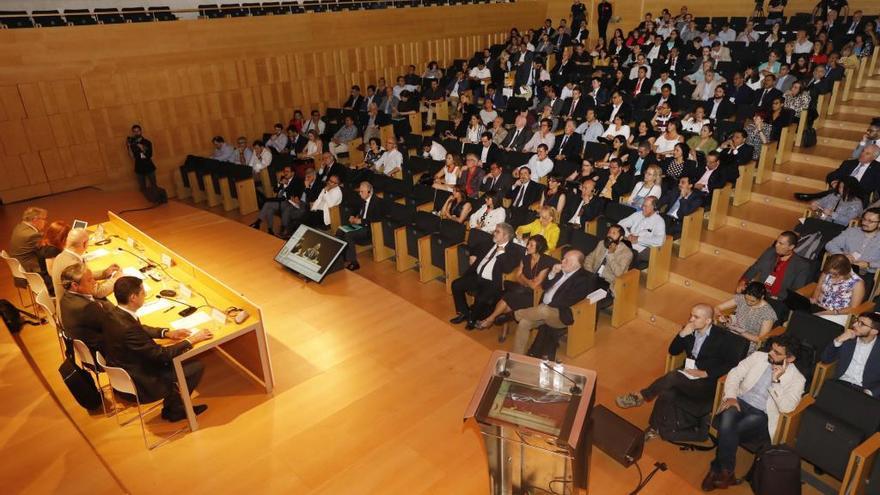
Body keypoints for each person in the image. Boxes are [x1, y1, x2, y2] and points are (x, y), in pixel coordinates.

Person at [615, 304, 742, 435]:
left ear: (708, 321)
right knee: (667, 392)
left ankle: (641, 396)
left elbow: (732, 363)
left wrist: (705, 373)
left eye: (696, 317)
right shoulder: (689, 330)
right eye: (691, 315)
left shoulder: (723, 337)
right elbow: (673, 351)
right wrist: (682, 334)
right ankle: (654, 428)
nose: (691, 319)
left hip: (706, 383)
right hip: (687, 375)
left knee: (673, 377)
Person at [701, 336, 805, 491]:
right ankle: (726, 473)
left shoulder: (797, 379)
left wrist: (776, 381)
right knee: (729, 422)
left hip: (761, 414)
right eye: (771, 348)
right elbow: (735, 374)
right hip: (739, 401)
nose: (770, 353)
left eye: (777, 353)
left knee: (728, 429)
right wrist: (731, 395)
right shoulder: (758, 357)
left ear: (790, 358)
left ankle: (718, 470)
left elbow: (787, 407)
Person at [102, 276, 213, 422]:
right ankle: (175, 410)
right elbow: (162, 355)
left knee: (180, 358)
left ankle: (173, 406)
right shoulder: (129, 328)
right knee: (196, 367)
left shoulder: (114, 313)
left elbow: (139, 329)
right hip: (143, 381)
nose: (145, 295)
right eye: (143, 292)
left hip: (126, 368)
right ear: (133, 298)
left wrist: (165, 333)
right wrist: (191, 340)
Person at [511, 249, 592, 354]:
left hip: (559, 315)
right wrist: (552, 273)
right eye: (563, 258)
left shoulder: (582, 280)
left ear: (576, 264)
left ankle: (515, 314)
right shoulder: (560, 271)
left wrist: (548, 305)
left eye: (567, 260)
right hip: (541, 309)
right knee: (524, 323)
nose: (562, 262)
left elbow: (568, 301)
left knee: (544, 310)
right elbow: (544, 286)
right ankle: (517, 356)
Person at [477, 235, 556, 338]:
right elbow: (517, 276)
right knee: (508, 298)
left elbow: (534, 286)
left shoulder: (545, 262)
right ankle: (491, 320)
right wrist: (526, 280)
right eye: (528, 244)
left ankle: (491, 320)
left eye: (531, 245)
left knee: (507, 299)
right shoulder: (525, 258)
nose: (528, 247)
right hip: (521, 290)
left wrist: (524, 278)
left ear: (539, 248)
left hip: (535, 296)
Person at [450, 223, 524, 330]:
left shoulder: (513, 250)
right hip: (477, 276)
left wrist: (501, 253)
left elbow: (507, 268)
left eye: (498, 232)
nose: (494, 233)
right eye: (495, 230)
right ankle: (463, 312)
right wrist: (473, 255)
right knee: (456, 285)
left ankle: (472, 319)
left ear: (506, 236)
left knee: (481, 298)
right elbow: (475, 246)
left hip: (492, 283)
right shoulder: (490, 241)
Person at [739, 231, 811, 316]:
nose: (777, 245)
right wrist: (743, 281)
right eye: (777, 242)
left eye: (781, 243)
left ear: (791, 247)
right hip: (759, 294)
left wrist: (776, 298)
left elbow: (796, 290)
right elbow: (754, 268)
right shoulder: (770, 252)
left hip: (778, 300)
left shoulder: (801, 265)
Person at [50, 228, 120, 304]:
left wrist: (104, 273)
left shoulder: (60, 256)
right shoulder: (73, 265)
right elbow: (98, 292)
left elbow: (83, 277)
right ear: (84, 244)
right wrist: (117, 279)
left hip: (66, 305)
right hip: (76, 311)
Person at [821, 312, 880, 397]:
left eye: (861, 324)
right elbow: (825, 359)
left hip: (865, 391)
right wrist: (838, 340)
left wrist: (870, 393)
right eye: (857, 321)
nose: (855, 325)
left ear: (874, 331)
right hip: (840, 384)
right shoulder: (848, 339)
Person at [59, 263, 113, 354]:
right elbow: (113, 325)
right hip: (103, 351)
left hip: (86, 348)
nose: (95, 282)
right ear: (75, 285)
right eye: (89, 280)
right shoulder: (87, 308)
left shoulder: (65, 297)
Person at [825, 208, 880, 296]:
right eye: (864, 219)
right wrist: (843, 255)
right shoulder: (852, 231)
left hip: (864, 274)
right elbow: (830, 244)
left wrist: (869, 264)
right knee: (826, 291)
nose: (865, 223)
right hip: (842, 268)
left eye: (870, 221)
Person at [715, 282, 779, 354]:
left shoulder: (767, 313)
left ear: (762, 297)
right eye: (746, 299)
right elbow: (717, 307)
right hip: (731, 331)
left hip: (747, 342)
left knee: (720, 349)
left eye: (752, 301)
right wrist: (721, 316)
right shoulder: (742, 298)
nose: (748, 302)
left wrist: (741, 332)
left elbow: (760, 339)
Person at [335, 182, 385, 271]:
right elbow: (355, 208)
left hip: (368, 229)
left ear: (369, 192)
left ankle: (354, 262)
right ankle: (342, 257)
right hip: (360, 226)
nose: (360, 193)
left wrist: (360, 221)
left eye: (362, 192)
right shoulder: (362, 199)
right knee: (340, 230)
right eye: (360, 191)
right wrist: (352, 215)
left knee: (348, 235)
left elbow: (376, 219)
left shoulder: (376, 203)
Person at [583, 224, 634, 292]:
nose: (610, 235)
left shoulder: (626, 253)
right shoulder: (602, 243)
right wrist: (590, 273)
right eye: (609, 232)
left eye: (614, 233)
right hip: (593, 275)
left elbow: (619, 274)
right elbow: (590, 258)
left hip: (607, 283)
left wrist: (611, 254)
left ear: (621, 238)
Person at [251, 165, 298, 236]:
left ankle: (257, 223)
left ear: (292, 173)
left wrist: (285, 186)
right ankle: (270, 230)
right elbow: (275, 190)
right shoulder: (283, 178)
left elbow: (291, 194)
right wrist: (280, 183)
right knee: (269, 209)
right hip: (278, 200)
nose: (285, 173)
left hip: (287, 202)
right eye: (284, 171)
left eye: (287, 171)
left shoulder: (296, 181)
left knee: (267, 204)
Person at [9, 206, 53, 280]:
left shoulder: (19, 227)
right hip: (31, 271)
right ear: (35, 219)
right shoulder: (32, 235)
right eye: (44, 219)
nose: (46, 222)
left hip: (20, 267)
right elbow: (47, 250)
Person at [619, 196, 666, 262]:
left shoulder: (659, 221)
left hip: (642, 248)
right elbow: (621, 224)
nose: (642, 208)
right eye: (643, 205)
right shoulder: (638, 214)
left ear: (654, 208)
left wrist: (638, 239)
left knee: (621, 255)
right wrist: (628, 235)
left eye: (645, 206)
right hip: (628, 243)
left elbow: (659, 240)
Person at [126, 124, 157, 192]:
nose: (136, 133)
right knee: (142, 188)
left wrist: (141, 147)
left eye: (138, 131)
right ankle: (145, 202)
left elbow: (150, 155)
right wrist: (129, 147)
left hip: (149, 166)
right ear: (133, 133)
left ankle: (157, 200)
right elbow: (132, 156)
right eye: (134, 131)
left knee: (154, 185)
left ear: (141, 131)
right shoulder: (132, 143)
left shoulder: (147, 142)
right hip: (139, 168)